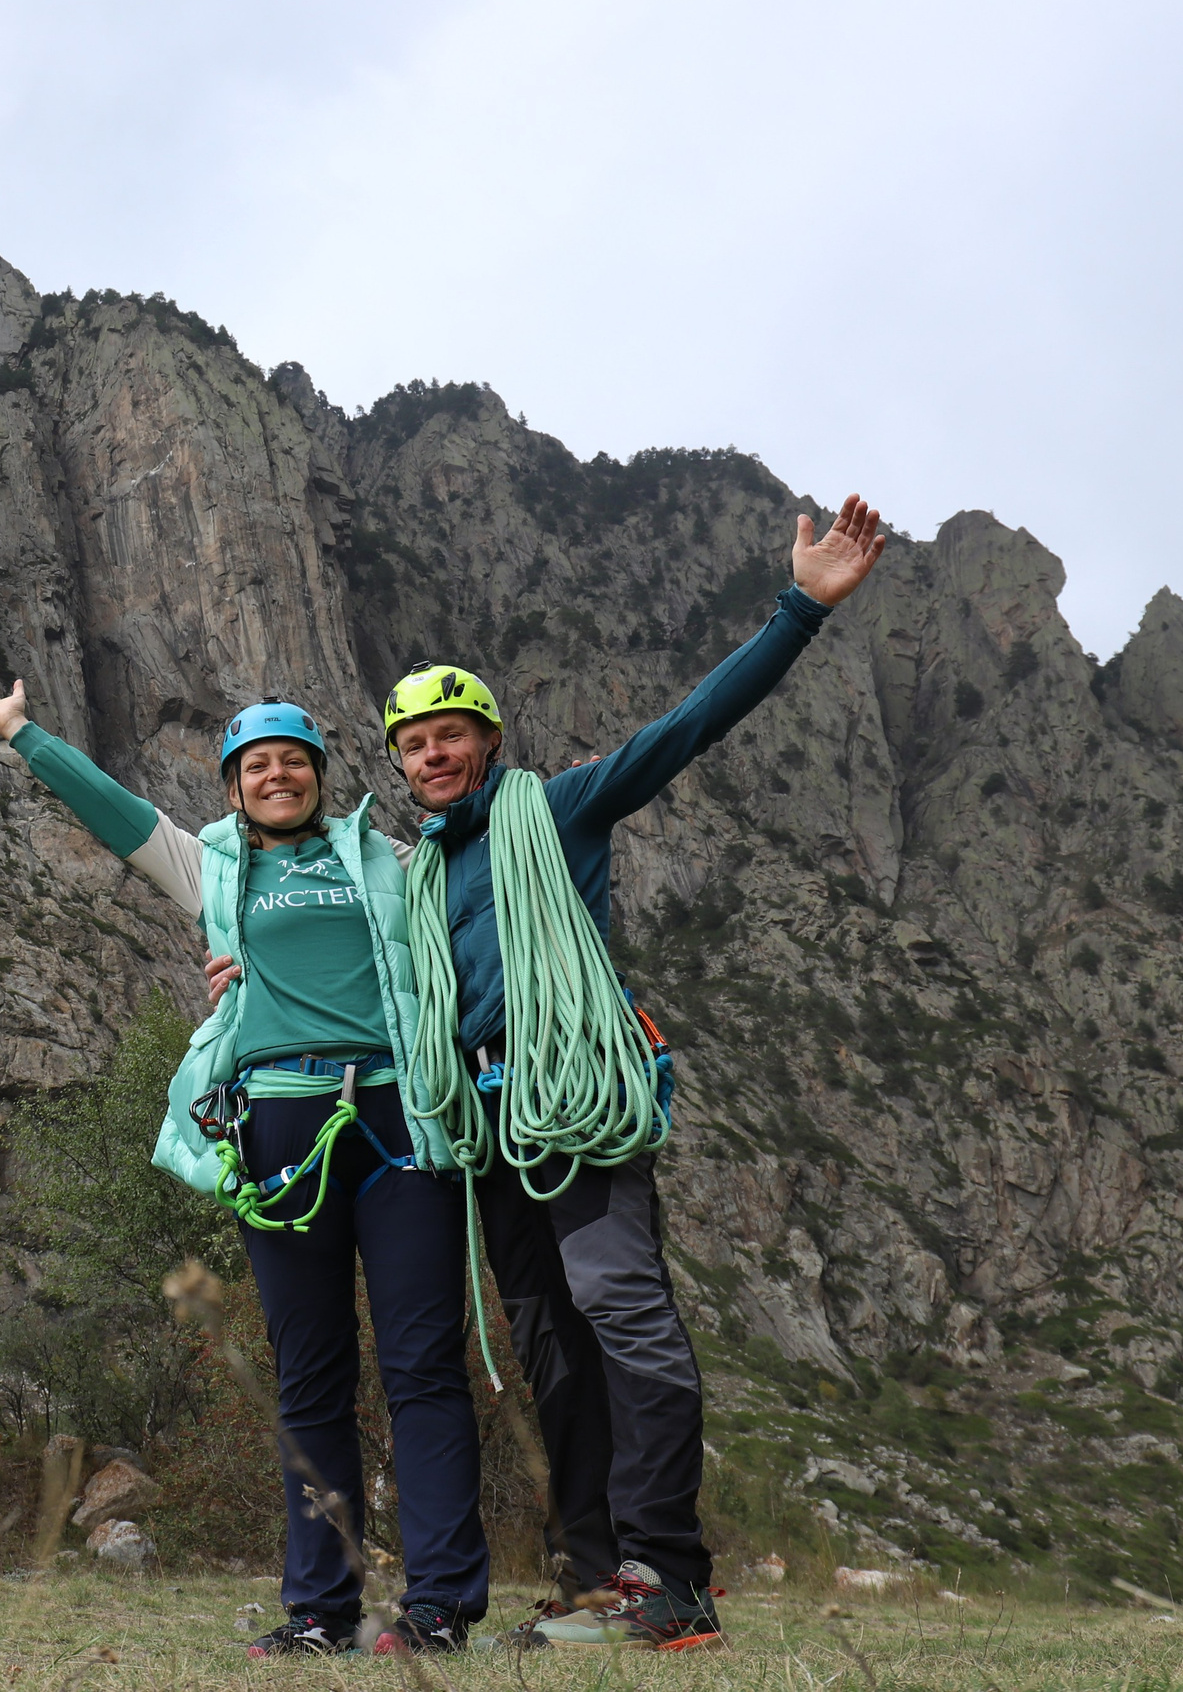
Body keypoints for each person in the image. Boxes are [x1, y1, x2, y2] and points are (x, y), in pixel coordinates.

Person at [206, 491, 888, 1651]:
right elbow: (355, 975)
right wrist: (244, 983)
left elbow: (685, 730)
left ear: (487, 743)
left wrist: (799, 611)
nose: (433, 754)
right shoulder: (409, 875)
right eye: (414, 743)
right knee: (548, 1344)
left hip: (567, 1098)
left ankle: (668, 1575)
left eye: (451, 734)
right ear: (399, 763)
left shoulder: (558, 809)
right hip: (477, 1122)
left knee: (621, 1314)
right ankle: (591, 1578)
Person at [0, 679, 485, 1657]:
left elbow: (478, 899)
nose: (274, 774)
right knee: (310, 1376)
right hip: (276, 1125)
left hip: (395, 1118)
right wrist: (20, 732)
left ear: (320, 776)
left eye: (291, 760)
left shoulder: (390, 859)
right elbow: (117, 815)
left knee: (422, 1366)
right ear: (234, 788)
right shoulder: (212, 869)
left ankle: (440, 1604)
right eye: (253, 765)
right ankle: (320, 1609)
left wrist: (540, 805)